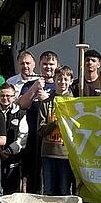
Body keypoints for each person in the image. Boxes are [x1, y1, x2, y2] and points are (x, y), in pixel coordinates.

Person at [18, 50, 58, 194]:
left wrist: (47, 99)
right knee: (33, 176)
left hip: (54, 140)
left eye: (51, 64)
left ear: (57, 65)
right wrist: (34, 88)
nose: (48, 67)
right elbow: (22, 104)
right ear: (39, 65)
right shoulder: (30, 85)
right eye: (45, 64)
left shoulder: (60, 85)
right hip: (34, 138)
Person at [40, 66, 75, 195]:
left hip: (67, 155)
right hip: (48, 154)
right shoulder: (46, 103)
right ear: (54, 80)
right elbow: (40, 130)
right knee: (49, 191)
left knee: (64, 191)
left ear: (71, 81)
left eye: (66, 79)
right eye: (59, 79)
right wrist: (55, 123)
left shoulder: (75, 103)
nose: (62, 82)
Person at [0, 83, 28, 195]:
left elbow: (23, 136)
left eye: (8, 96)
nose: (5, 98)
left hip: (13, 157)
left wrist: (9, 150)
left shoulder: (21, 114)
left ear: (14, 97)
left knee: (11, 192)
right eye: (2, 95)